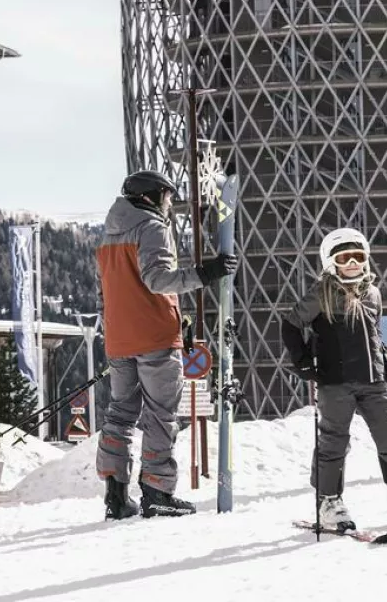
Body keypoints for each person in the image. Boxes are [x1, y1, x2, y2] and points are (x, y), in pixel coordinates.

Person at [95, 169, 239, 520]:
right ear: (151, 196)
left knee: (120, 414)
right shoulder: (152, 226)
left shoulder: (108, 233)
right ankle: (157, 491)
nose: (170, 204)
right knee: (160, 415)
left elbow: (117, 291)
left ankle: (115, 494)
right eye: (168, 196)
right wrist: (206, 274)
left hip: (119, 338)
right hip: (154, 338)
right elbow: (158, 280)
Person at [281, 228, 387, 532]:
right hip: (335, 381)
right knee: (333, 442)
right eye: (345, 257)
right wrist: (302, 361)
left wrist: (385, 361)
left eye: (358, 256)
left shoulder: (372, 293)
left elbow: (372, 334)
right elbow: (290, 325)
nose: (353, 262)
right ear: (332, 261)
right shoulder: (321, 292)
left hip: (372, 380)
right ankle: (329, 501)